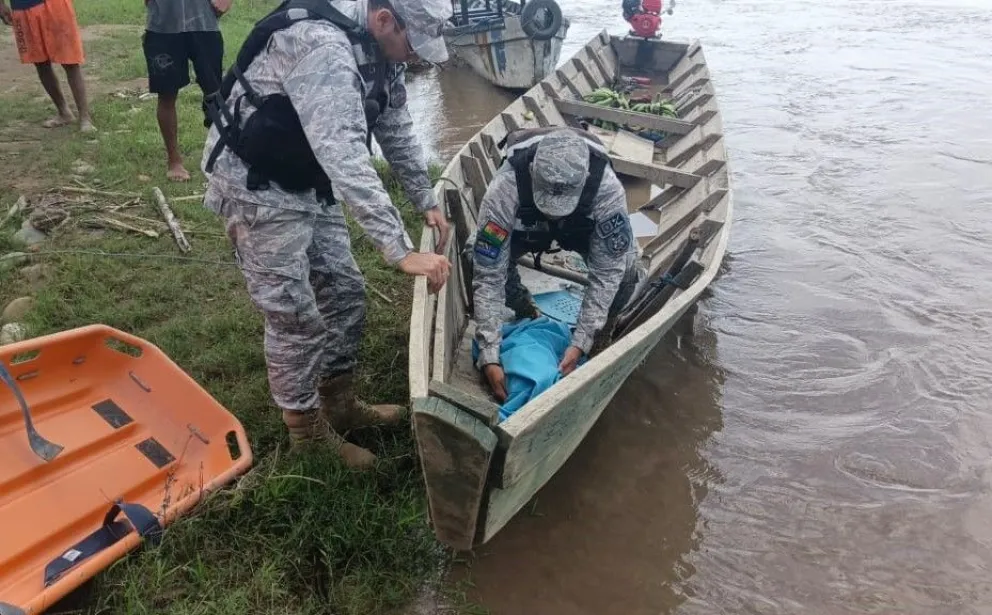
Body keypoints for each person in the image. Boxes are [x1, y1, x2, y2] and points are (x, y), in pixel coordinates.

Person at [200, 0, 452, 468]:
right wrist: (398, 249)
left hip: (306, 177)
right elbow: (345, 154)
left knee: (344, 290)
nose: (414, 58)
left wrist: (425, 199)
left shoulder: (380, 49)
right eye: (412, 46)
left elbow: (394, 124)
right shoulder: (324, 49)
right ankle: (306, 433)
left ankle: (339, 402)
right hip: (257, 183)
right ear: (383, 20)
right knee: (292, 312)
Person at [469, 127, 644, 402]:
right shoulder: (506, 187)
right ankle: (524, 308)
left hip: (579, 229)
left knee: (628, 271)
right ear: (531, 172)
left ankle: (603, 331)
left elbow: (607, 273)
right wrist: (489, 354)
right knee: (474, 253)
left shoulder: (607, 190)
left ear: (584, 181)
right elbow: (488, 273)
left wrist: (582, 340)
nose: (553, 208)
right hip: (527, 226)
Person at [143, 0, 231, 182]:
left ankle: (222, 157)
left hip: (205, 23)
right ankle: (174, 161)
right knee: (166, 94)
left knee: (215, 94)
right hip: (163, 25)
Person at [0, 0, 95, 132]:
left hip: (54, 6)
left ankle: (85, 118)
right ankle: (64, 112)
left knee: (70, 61)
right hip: (22, 8)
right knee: (40, 63)